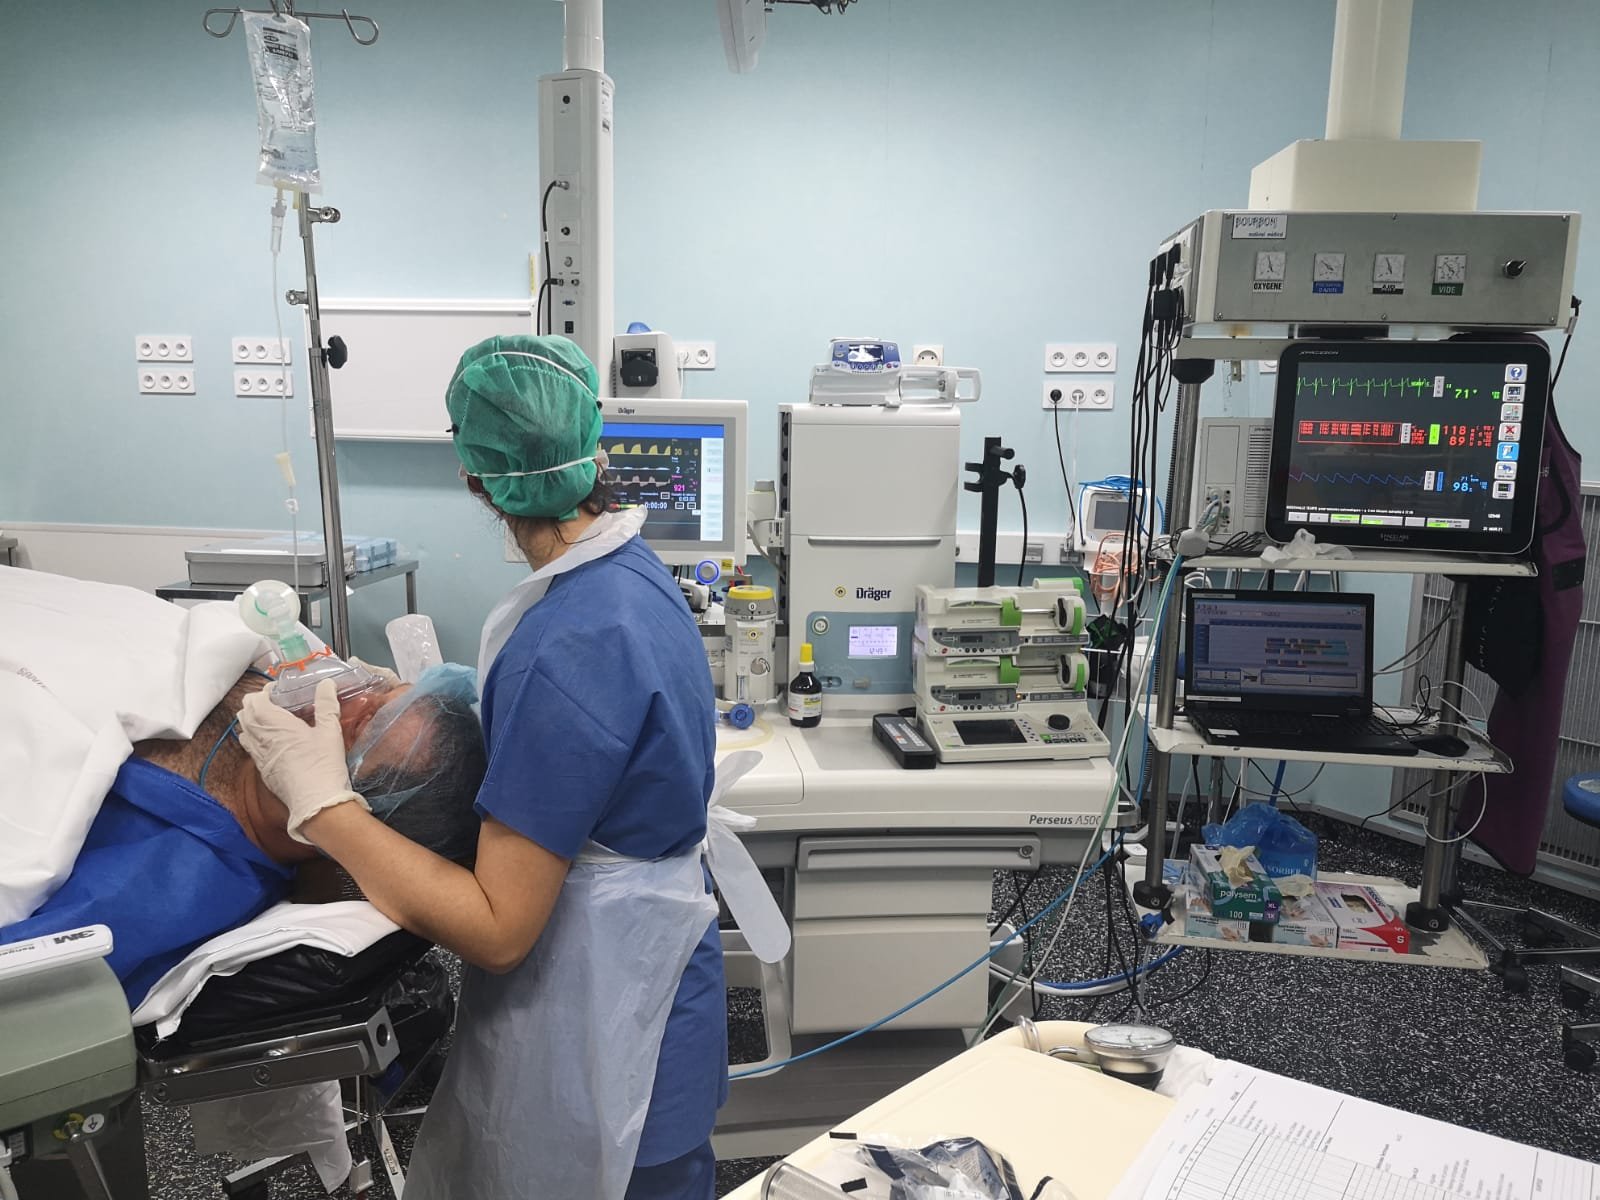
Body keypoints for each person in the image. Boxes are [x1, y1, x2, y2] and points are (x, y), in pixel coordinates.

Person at [235, 334, 727, 1200]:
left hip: (609, 1028)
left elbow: (499, 928)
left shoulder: (568, 643)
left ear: (476, 477)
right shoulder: (631, 575)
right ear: (592, 443)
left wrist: (323, 806)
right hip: (657, 994)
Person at [0, 662, 486, 1006]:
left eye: (360, 726)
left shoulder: (164, 885)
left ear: (351, 816)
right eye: (379, 690)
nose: (343, 694)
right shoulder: (260, 682)